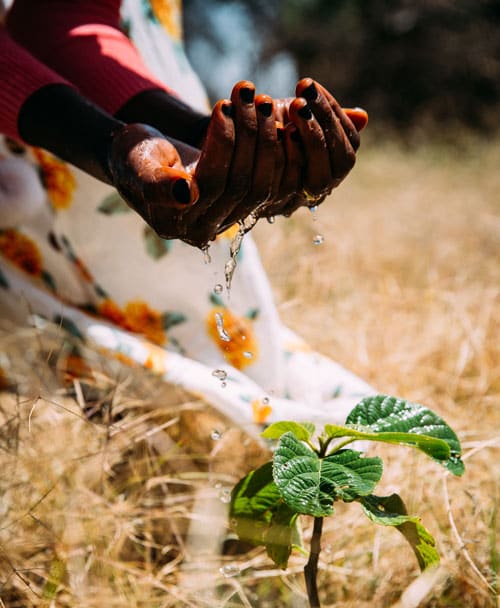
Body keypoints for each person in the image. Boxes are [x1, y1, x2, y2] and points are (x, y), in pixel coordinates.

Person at [0, 0, 373, 430]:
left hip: (115, 62)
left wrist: (202, 137)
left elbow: (60, 16)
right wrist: (107, 148)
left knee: (194, 370)